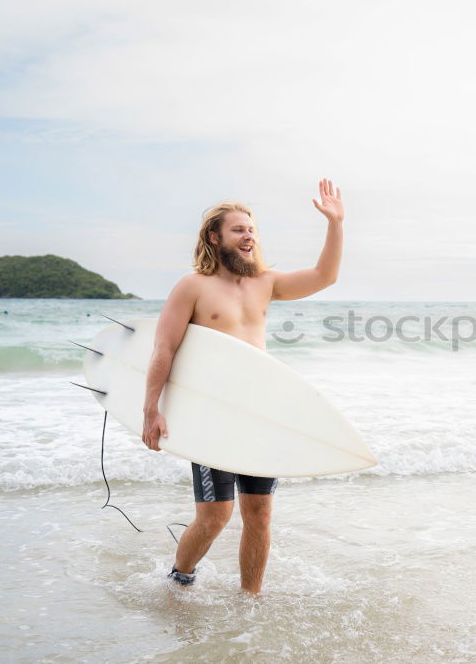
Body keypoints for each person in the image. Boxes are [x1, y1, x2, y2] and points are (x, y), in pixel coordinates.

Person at [141, 179, 345, 593]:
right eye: (238, 229)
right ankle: (181, 575)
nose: (248, 234)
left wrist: (335, 224)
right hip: (212, 415)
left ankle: (249, 601)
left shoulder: (266, 283)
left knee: (260, 514)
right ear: (215, 238)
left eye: (251, 229)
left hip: (259, 414)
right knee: (215, 516)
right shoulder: (192, 286)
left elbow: (326, 276)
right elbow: (164, 348)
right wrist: (151, 408)